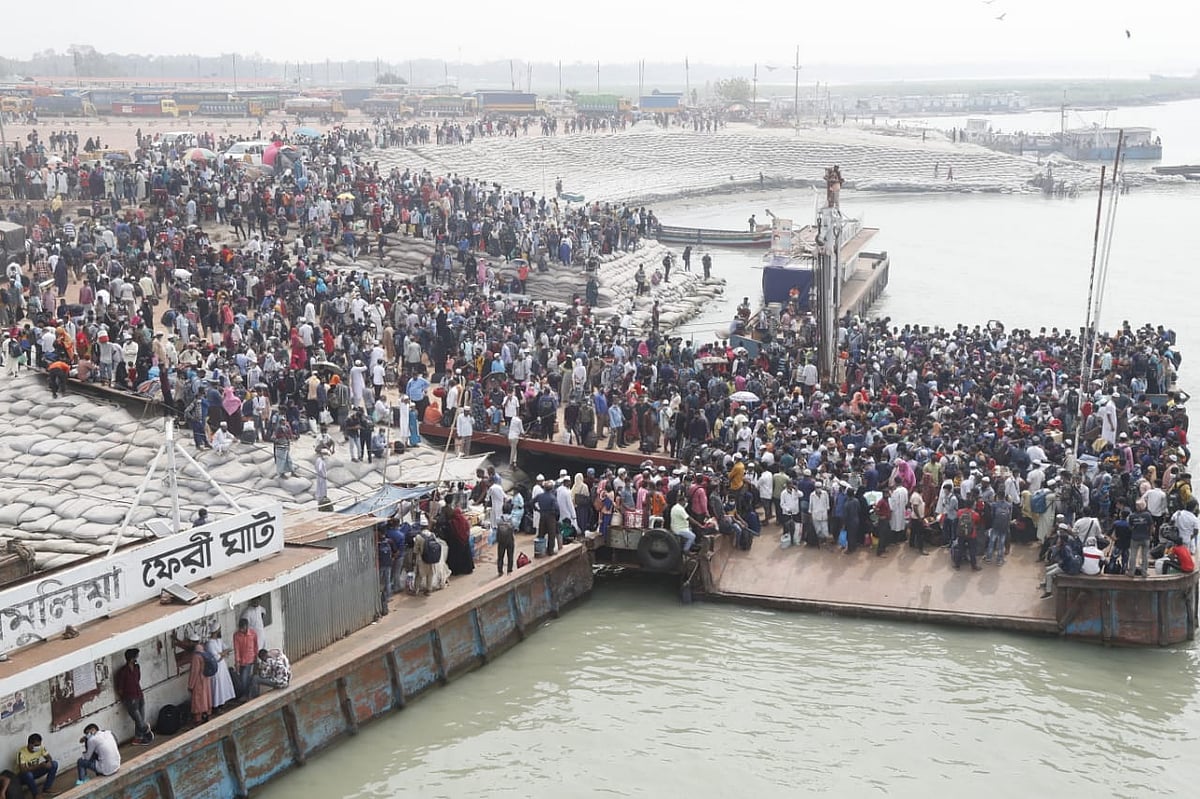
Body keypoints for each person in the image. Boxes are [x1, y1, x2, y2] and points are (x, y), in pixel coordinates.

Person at [114, 648, 154, 745]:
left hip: (139, 694)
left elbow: (138, 679)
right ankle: (146, 730)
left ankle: (138, 738)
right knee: (139, 720)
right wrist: (125, 697)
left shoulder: (137, 667)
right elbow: (120, 688)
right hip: (130, 698)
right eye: (135, 656)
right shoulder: (123, 672)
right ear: (131, 658)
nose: (137, 658)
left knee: (140, 718)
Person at [207, 628, 238, 712]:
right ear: (216, 631)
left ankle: (222, 703)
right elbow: (216, 657)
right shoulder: (210, 643)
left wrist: (222, 653)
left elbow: (227, 648)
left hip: (222, 666)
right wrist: (222, 654)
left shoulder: (219, 640)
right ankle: (216, 706)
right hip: (216, 667)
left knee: (223, 685)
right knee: (217, 686)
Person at [233, 618, 259, 700]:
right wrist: (237, 661)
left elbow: (256, 646)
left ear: (246, 626)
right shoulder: (236, 635)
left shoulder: (253, 634)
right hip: (241, 661)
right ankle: (248, 694)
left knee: (245, 678)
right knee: (244, 678)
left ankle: (246, 695)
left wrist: (256, 657)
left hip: (250, 659)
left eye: (243, 628)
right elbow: (236, 649)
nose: (241, 630)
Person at [1128, 499, 1153, 577]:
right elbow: (1151, 526)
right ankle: (1144, 573)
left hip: (1135, 538)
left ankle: (1131, 572)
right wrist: (1150, 535)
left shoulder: (1132, 516)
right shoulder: (1148, 515)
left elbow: (1130, 527)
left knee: (1133, 555)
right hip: (1146, 538)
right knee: (1145, 556)